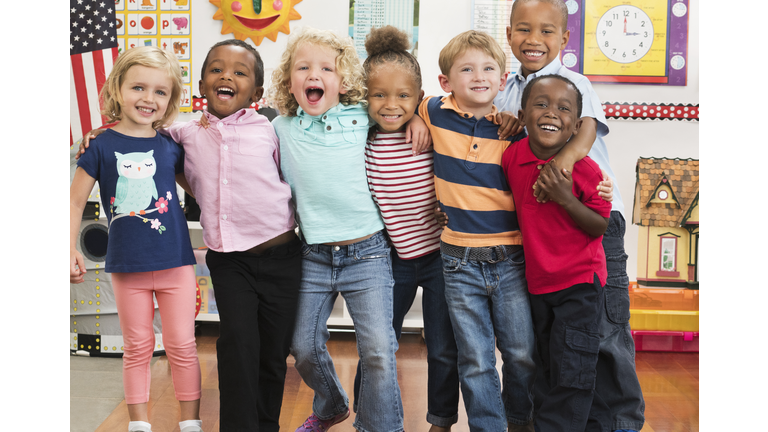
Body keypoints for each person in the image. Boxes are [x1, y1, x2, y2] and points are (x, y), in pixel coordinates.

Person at [79, 40, 302, 432]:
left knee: (273, 354)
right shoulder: (181, 133)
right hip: (229, 260)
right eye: (216, 69)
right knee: (237, 346)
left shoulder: (273, 129)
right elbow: (141, 136)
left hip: (282, 255)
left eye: (239, 72)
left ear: (258, 92)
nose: (226, 76)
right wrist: (100, 133)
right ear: (201, 85)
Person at [494, 1, 645, 431]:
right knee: (559, 343)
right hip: (547, 234)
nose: (534, 40)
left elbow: (588, 128)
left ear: (564, 40)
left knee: (606, 335)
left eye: (546, 32)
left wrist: (560, 170)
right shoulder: (508, 87)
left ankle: (619, 423)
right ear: (509, 35)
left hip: (594, 221)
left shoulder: (574, 82)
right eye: (524, 29)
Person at [268, 27, 424, 432]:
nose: (314, 74)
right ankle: (332, 404)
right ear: (290, 81)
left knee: (378, 350)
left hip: (369, 253)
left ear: (344, 82)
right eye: (303, 67)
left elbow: (404, 104)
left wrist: (422, 116)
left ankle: (379, 427)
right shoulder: (281, 128)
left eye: (326, 68)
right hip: (314, 254)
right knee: (301, 347)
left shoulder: (362, 117)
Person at [70, 46, 203, 432]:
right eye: (138, 88)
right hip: (127, 266)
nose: (148, 98)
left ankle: (189, 423)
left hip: (175, 263)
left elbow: (199, 189)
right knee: (138, 347)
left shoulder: (171, 146)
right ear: (118, 89)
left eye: (160, 92)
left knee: (182, 345)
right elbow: (75, 200)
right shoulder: (98, 145)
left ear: (170, 100)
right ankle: (138, 425)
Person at [417, 29, 535, 432]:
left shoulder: (514, 131)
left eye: (488, 68)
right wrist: (418, 119)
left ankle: (520, 420)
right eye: (466, 69)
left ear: (503, 81)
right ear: (446, 82)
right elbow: (408, 101)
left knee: (520, 353)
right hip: (457, 260)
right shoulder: (433, 111)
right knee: (476, 357)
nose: (478, 76)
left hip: (510, 258)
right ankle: (488, 426)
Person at [356, 25, 460, 432]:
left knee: (442, 346)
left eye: (403, 96)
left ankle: (441, 422)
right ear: (364, 97)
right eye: (378, 94)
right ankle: (368, 417)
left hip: (438, 257)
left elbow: (450, 102)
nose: (390, 104)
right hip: (389, 259)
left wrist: (422, 114)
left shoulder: (430, 128)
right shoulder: (359, 137)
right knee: (377, 347)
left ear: (419, 98)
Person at [502, 74, 612, 432]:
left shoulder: (587, 171)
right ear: (522, 113)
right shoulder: (512, 158)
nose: (552, 113)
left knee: (572, 367)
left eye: (564, 108)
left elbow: (599, 226)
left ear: (576, 126)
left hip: (580, 284)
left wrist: (565, 196)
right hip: (537, 285)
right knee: (548, 365)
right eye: (541, 104)